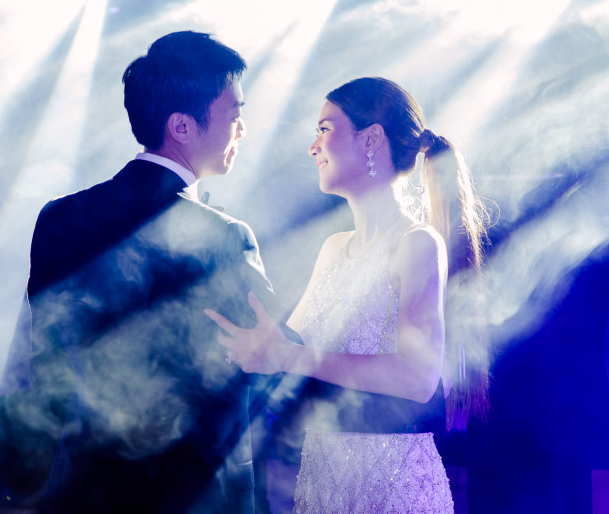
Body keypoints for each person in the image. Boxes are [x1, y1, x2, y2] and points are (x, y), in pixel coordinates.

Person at [0, 31, 280, 514]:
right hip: (189, 490)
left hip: (79, 485)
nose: (242, 130)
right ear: (181, 126)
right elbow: (264, 363)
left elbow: (41, 361)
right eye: (234, 115)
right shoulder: (223, 236)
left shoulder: (59, 218)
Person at [206, 77, 490, 513]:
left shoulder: (417, 243)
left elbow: (418, 378)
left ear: (371, 139)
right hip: (323, 480)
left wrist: (287, 355)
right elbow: (283, 348)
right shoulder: (332, 249)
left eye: (324, 129)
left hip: (392, 485)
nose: (312, 147)